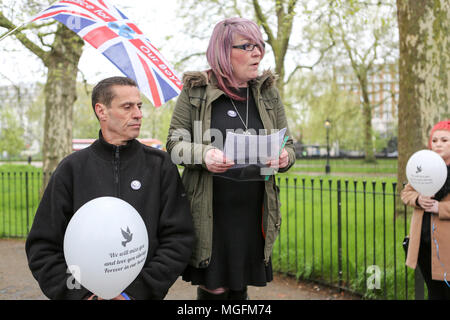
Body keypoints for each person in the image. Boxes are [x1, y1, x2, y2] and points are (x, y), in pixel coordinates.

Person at [25, 76, 195, 300]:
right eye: (127, 106)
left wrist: (135, 294)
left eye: (139, 106)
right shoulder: (71, 169)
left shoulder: (160, 165)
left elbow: (178, 239)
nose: (138, 114)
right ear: (101, 111)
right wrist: (81, 295)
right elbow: (43, 247)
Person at [166, 17, 295, 300]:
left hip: (254, 210)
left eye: (259, 45)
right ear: (223, 52)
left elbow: (289, 144)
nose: (258, 52)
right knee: (216, 286)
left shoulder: (267, 91)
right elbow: (174, 145)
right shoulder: (195, 90)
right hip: (212, 211)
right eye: (247, 46)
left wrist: (285, 157)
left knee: (240, 284)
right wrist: (204, 155)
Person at [402, 120, 450, 299]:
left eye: (444, 140)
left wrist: (441, 208)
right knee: (434, 292)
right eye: (435, 140)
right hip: (422, 242)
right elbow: (406, 193)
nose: (438, 144)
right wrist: (418, 199)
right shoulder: (424, 167)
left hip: (447, 246)